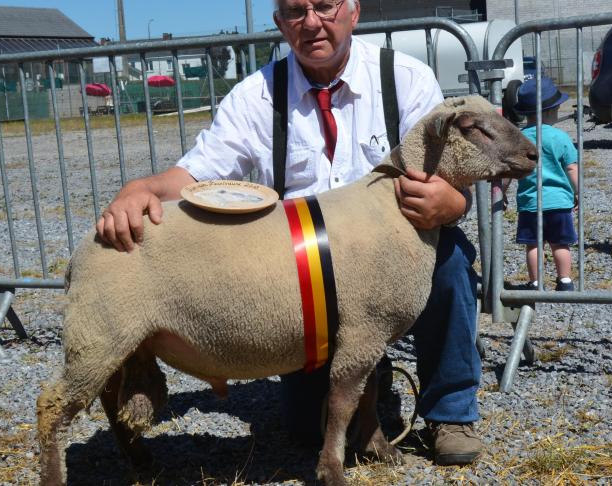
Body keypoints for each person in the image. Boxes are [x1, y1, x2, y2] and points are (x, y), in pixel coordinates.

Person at [96, 0, 484, 465]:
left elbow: (451, 167)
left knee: (450, 259)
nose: (313, 23)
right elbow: (197, 175)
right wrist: (142, 188)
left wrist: (454, 203)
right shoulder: (256, 95)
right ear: (280, 24)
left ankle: (450, 411)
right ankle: (362, 369)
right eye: (296, 11)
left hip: (388, 258)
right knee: (307, 430)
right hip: (310, 278)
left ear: (354, 12)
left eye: (324, 5)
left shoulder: (405, 79)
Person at [507, 78, 579, 291]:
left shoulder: (518, 139)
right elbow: (572, 169)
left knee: (534, 245)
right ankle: (565, 280)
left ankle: (536, 282)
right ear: (553, 110)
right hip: (559, 203)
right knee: (560, 244)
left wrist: (500, 193)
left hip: (530, 204)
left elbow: (508, 172)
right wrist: (578, 192)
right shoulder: (560, 137)